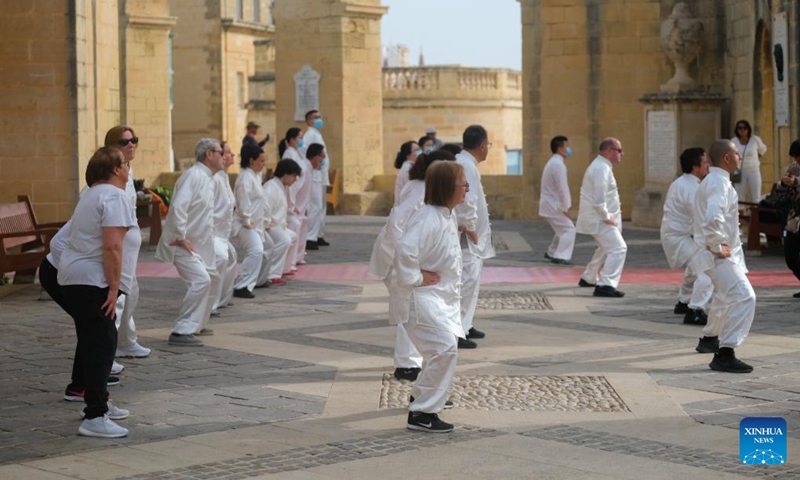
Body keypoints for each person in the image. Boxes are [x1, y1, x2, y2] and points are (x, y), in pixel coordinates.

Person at [58, 147, 139, 438]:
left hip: (74, 275)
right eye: (125, 164)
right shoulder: (114, 196)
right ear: (116, 169)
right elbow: (112, 246)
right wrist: (115, 287)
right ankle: (95, 415)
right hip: (91, 279)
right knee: (103, 343)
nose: (128, 168)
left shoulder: (90, 193)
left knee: (96, 340)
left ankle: (99, 400)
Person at [369, 150, 457, 382]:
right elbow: (399, 225)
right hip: (397, 257)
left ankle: (412, 363)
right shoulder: (420, 191)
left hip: (400, 256)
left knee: (412, 310)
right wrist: (413, 271)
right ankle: (407, 364)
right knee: (411, 309)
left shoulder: (420, 185)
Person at [395, 161, 468, 433]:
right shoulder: (428, 218)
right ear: (448, 187)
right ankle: (422, 413)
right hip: (421, 297)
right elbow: (404, 250)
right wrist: (416, 276)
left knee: (441, 348)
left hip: (439, 298)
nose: (467, 190)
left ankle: (421, 396)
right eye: (464, 185)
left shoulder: (446, 214)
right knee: (443, 347)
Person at [690, 139, 755, 373]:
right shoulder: (719, 183)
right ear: (727, 158)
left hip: (719, 254)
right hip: (717, 255)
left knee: (723, 298)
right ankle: (726, 352)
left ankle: (710, 338)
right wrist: (717, 245)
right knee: (745, 297)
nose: (740, 156)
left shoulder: (715, 181)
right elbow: (711, 217)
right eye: (737, 153)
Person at [155, 138, 223, 347]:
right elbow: (178, 208)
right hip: (183, 245)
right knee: (201, 281)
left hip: (201, 245)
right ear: (209, 154)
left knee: (211, 279)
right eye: (220, 152)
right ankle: (181, 330)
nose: (224, 156)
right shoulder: (193, 176)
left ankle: (197, 325)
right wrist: (180, 237)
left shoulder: (209, 178)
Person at [103, 126, 151, 359]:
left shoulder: (128, 170)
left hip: (130, 242)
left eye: (134, 140)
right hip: (120, 243)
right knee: (119, 295)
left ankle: (126, 340)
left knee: (132, 292)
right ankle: (107, 352)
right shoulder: (111, 174)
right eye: (125, 142)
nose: (131, 145)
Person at [660, 148, 713, 325]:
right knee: (706, 269)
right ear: (695, 166)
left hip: (678, 235)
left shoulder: (685, 183)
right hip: (678, 237)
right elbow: (700, 218)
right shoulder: (691, 187)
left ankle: (683, 301)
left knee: (694, 267)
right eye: (705, 162)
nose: (708, 165)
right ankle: (695, 310)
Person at [454, 125, 496, 348]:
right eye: (487, 145)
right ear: (481, 145)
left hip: (473, 238)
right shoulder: (466, 165)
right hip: (468, 239)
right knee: (467, 282)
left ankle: (466, 324)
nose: (487, 149)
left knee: (472, 282)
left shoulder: (467, 163)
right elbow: (467, 200)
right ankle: (457, 329)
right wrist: (470, 228)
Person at [576, 138, 627, 298]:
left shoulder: (602, 166)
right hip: (599, 219)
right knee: (618, 249)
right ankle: (605, 285)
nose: (621, 154)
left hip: (601, 218)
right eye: (619, 150)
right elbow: (598, 200)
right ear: (608, 151)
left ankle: (589, 276)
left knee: (605, 247)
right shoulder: (601, 168)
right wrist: (607, 218)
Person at [231, 144, 271, 298]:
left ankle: (258, 280)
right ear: (251, 161)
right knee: (256, 250)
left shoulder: (256, 175)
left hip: (256, 223)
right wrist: (246, 220)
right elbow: (242, 201)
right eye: (261, 161)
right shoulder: (245, 178)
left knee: (269, 247)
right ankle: (241, 285)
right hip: (242, 223)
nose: (263, 164)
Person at [210, 141, 238, 314]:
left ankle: (222, 299)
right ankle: (210, 304)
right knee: (220, 258)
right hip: (213, 232)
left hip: (223, 232)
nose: (231, 155)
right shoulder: (214, 179)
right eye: (227, 152)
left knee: (231, 257)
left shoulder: (224, 177)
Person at [539, 135, 576, 265]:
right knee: (569, 229)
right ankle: (561, 256)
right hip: (553, 204)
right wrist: (565, 207)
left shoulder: (554, 162)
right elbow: (562, 188)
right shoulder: (558, 165)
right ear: (560, 149)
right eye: (566, 146)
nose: (569, 149)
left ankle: (551, 252)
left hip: (549, 204)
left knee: (561, 229)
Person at [264, 159, 302, 279]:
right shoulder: (271, 187)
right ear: (285, 174)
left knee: (293, 236)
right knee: (284, 240)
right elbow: (265, 208)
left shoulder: (281, 187)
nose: (295, 179)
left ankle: (285, 268)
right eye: (294, 176)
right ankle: (272, 273)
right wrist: (266, 223)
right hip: (269, 226)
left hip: (278, 226)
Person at [281, 128, 313, 266]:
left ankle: (299, 255)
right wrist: (291, 203)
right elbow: (291, 182)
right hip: (295, 197)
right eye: (300, 137)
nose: (302, 140)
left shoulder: (297, 153)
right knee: (295, 225)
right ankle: (291, 261)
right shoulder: (289, 154)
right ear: (293, 139)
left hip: (301, 197)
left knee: (302, 224)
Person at [300, 110, 331, 247]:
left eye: (320, 117)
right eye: (315, 117)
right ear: (309, 121)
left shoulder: (317, 134)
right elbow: (304, 151)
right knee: (314, 205)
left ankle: (318, 234)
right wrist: (314, 164)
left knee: (321, 206)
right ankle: (310, 237)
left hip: (321, 175)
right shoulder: (310, 134)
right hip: (315, 174)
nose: (319, 120)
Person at [777, 140, 800, 297]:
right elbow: (781, 187)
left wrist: (796, 181)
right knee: (790, 257)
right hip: (793, 218)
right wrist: (784, 183)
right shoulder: (793, 167)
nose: (797, 159)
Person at [731, 119, 767, 203]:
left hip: (753, 170)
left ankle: (756, 215)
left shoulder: (755, 140)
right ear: (737, 129)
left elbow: (763, 149)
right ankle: (741, 215)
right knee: (739, 197)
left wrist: (756, 158)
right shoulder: (733, 141)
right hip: (739, 171)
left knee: (756, 196)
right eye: (740, 128)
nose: (742, 130)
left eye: (745, 128)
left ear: (748, 129)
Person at [393, 140, 420, 207]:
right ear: (408, 154)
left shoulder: (411, 167)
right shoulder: (408, 170)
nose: (420, 152)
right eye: (416, 150)